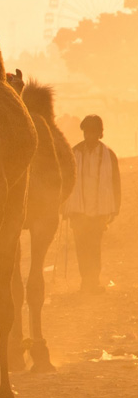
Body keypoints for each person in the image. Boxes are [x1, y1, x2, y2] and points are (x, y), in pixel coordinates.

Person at [65, 114, 121, 293]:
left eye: (93, 133)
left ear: (100, 133)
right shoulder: (74, 153)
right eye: (87, 132)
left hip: (99, 210)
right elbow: (67, 182)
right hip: (78, 210)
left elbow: (115, 182)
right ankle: (86, 282)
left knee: (94, 247)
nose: (89, 136)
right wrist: (64, 206)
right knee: (82, 247)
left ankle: (93, 282)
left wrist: (115, 208)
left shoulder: (109, 155)